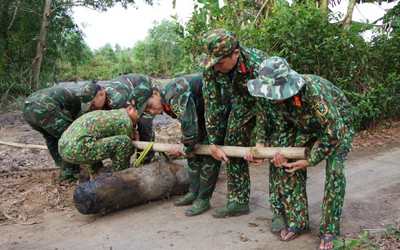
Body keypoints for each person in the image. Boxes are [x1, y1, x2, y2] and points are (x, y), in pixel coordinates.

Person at [247, 56, 354, 250]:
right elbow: (266, 119)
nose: (274, 97)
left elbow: (334, 131)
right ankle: (298, 221)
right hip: (301, 125)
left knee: (334, 173)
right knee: (287, 164)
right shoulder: (267, 93)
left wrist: (311, 160)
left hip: (337, 125)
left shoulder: (313, 91)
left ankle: (329, 229)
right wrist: (263, 148)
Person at [197, 28, 270, 218]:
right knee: (232, 145)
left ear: (235, 54)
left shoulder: (258, 65)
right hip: (242, 105)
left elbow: (265, 104)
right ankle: (238, 202)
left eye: (219, 63)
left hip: (272, 107)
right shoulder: (211, 67)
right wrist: (213, 142)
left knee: (276, 154)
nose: (215, 68)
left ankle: (282, 210)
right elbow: (212, 103)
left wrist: (261, 141)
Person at [141, 73, 231, 216]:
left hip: (219, 107)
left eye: (150, 106)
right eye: (148, 111)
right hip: (202, 114)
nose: (153, 112)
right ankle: (194, 191)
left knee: (209, 152)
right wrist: (188, 147)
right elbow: (189, 126)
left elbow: (189, 128)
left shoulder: (174, 95)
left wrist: (186, 149)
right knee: (193, 150)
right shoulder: (165, 102)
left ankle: (203, 198)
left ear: (156, 93)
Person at [77, 74, 158, 164]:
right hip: (128, 94)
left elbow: (131, 118)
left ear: (101, 94)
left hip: (146, 89)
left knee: (144, 124)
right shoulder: (98, 103)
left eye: (92, 104)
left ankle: (145, 160)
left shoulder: (118, 98)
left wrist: (132, 130)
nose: (91, 107)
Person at [21, 87, 89, 181]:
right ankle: (67, 175)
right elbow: (76, 122)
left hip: (27, 110)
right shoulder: (80, 101)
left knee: (50, 137)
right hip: (42, 107)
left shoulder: (70, 95)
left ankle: (62, 165)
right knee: (69, 136)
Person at [58, 102, 140, 179]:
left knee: (93, 140)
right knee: (124, 142)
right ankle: (119, 179)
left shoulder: (112, 113)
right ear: (130, 108)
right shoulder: (125, 120)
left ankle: (94, 174)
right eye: (141, 114)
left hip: (63, 148)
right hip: (77, 150)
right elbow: (124, 151)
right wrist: (136, 140)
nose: (141, 118)